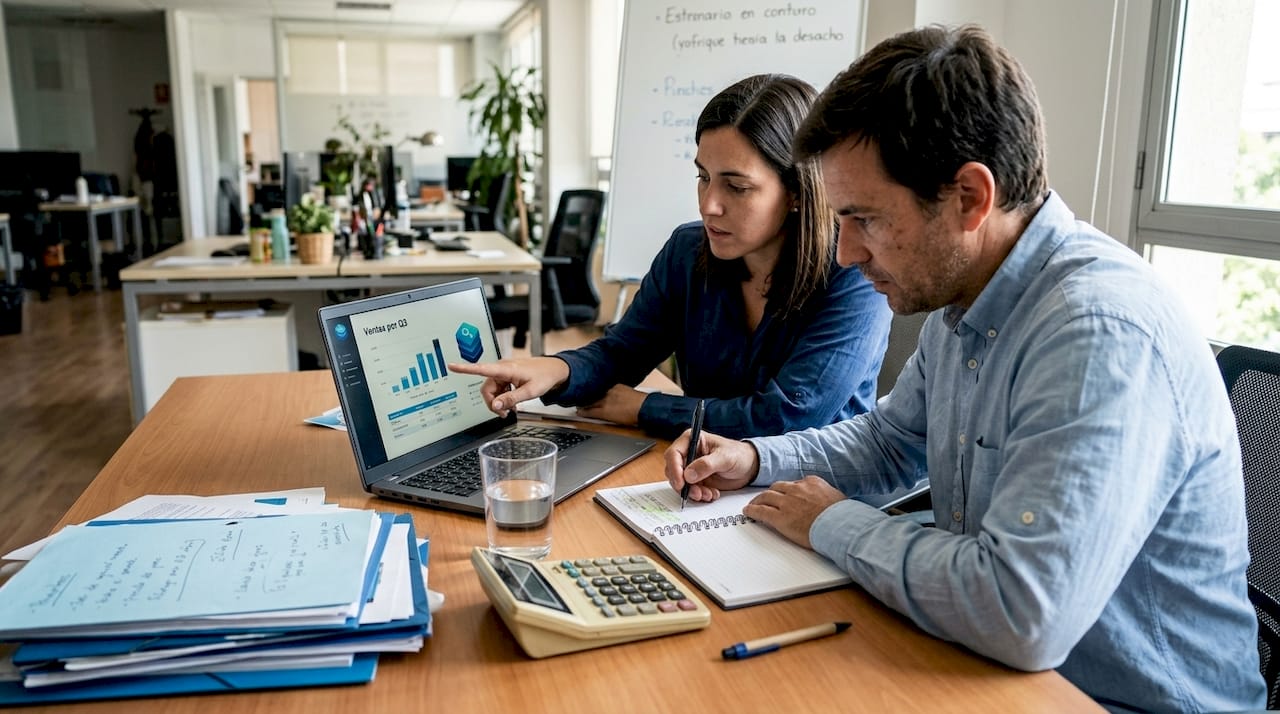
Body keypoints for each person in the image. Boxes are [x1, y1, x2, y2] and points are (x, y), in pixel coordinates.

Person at [665, 26, 1265, 713]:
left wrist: (830, 521)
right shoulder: (968, 298)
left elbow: (1021, 611)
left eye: (863, 217)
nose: (844, 253)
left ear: (970, 198)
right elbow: (890, 441)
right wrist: (752, 457)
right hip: (997, 672)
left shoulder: (1098, 333)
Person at [452, 74, 892, 440]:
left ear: (796, 191)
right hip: (705, 477)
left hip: (816, 494)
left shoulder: (853, 268)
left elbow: (791, 416)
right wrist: (553, 369)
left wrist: (647, 408)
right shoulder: (689, 250)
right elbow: (624, 351)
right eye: (703, 177)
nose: (708, 204)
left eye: (736, 186)